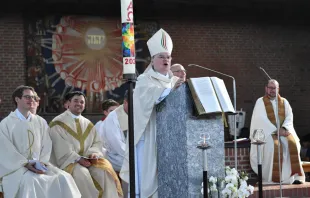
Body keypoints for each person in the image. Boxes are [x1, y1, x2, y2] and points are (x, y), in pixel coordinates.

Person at [120, 28, 184, 197]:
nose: (166, 60)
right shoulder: (143, 80)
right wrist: (170, 89)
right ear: (152, 60)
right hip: (149, 135)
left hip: (171, 137)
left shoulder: (175, 81)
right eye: (161, 57)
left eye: (168, 57)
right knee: (148, 181)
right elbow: (151, 97)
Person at [0, 85, 81, 198]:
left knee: (64, 177)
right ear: (17, 99)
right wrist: (26, 163)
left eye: (33, 97)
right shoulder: (6, 124)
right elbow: (5, 151)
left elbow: (47, 145)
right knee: (31, 182)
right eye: (27, 97)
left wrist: (41, 162)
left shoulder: (40, 122)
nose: (31, 100)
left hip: (40, 165)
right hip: (18, 169)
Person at [49, 91, 123, 198]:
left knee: (104, 170)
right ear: (68, 103)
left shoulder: (87, 123)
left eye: (82, 102)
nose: (79, 104)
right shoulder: (58, 123)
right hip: (68, 162)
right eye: (76, 101)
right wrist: (78, 159)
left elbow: (97, 142)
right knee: (82, 174)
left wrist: (93, 154)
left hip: (88, 160)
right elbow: (60, 147)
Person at [250, 79, 305, 184]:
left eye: (274, 88)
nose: (272, 90)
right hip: (268, 133)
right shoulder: (260, 102)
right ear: (266, 88)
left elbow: (289, 116)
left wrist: (284, 128)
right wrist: (275, 130)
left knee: (293, 144)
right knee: (272, 146)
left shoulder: (284, 102)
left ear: (278, 89)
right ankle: (272, 178)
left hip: (283, 132)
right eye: (270, 88)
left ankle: (293, 177)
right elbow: (260, 119)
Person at [98, 91, 128, 172]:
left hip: (129, 154)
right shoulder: (113, 118)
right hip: (116, 156)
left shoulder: (135, 113)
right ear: (125, 102)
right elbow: (117, 146)